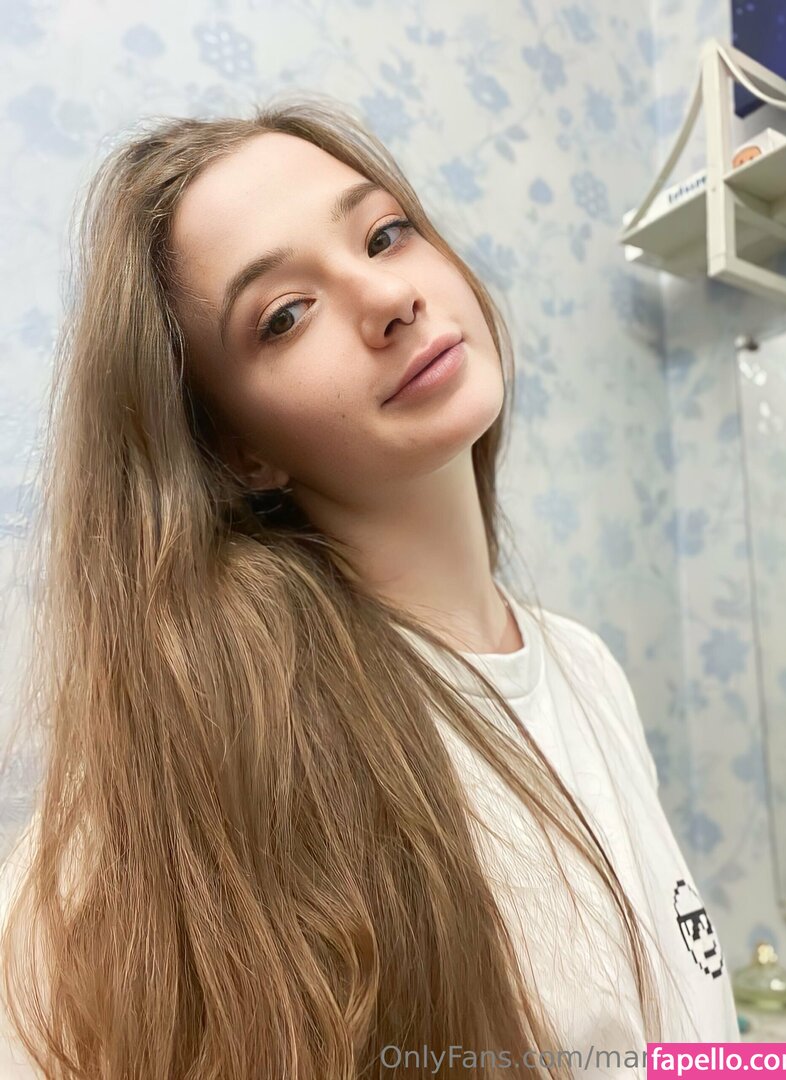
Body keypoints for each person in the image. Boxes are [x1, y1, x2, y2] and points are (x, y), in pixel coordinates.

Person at [0, 92, 739, 1079]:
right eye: (284, 315)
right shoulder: (217, 763)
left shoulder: (585, 667)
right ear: (239, 449)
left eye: (385, 235)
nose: (388, 297)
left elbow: (666, 1049)